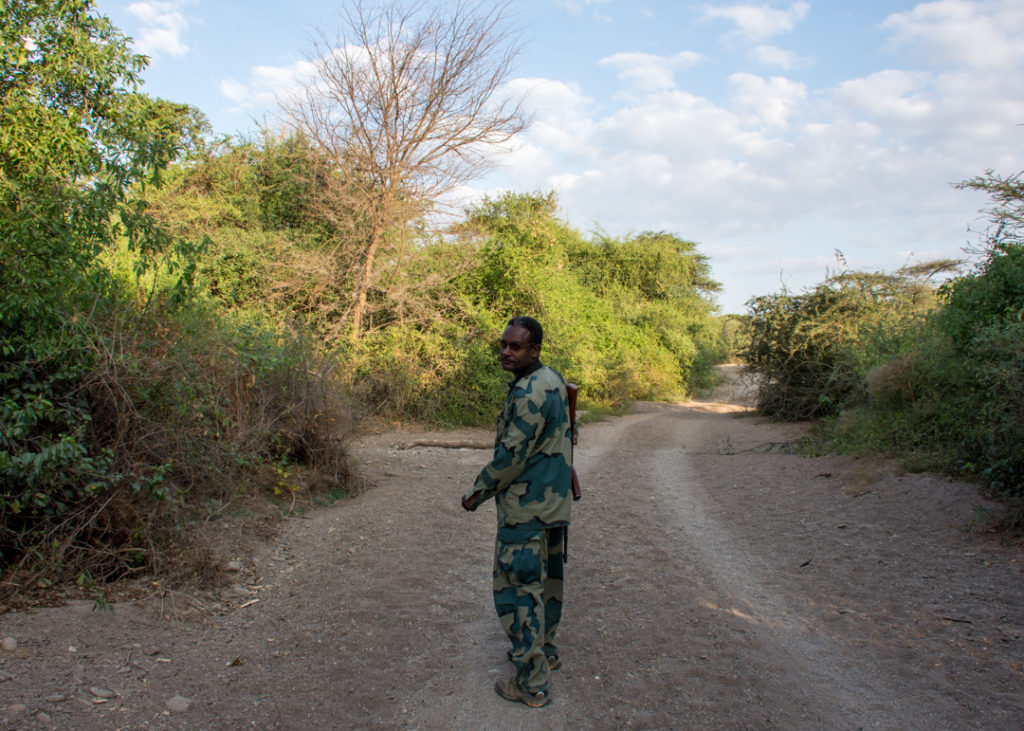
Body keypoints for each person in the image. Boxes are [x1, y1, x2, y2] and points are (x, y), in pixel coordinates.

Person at [461, 316, 574, 708]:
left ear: (535, 350)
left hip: (525, 512)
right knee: (548, 585)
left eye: (516, 346)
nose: (506, 352)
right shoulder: (554, 379)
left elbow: (511, 456)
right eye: (504, 344)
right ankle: (546, 651)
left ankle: (531, 683)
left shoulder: (528, 392)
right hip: (554, 506)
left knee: (520, 593)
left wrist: (478, 490)